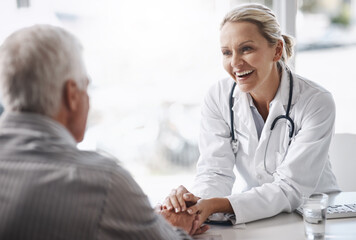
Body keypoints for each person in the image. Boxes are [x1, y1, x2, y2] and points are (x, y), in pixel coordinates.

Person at [0, 25, 208, 239]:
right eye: (86, 87)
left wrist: (141, 223)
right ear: (71, 95)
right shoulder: (101, 184)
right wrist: (174, 227)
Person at [163, 3, 340, 225]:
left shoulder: (316, 101)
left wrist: (217, 205)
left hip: (314, 217)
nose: (235, 63)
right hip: (257, 215)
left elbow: (291, 187)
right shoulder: (218, 97)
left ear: (277, 50)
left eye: (246, 49)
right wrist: (194, 205)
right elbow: (214, 173)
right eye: (227, 52)